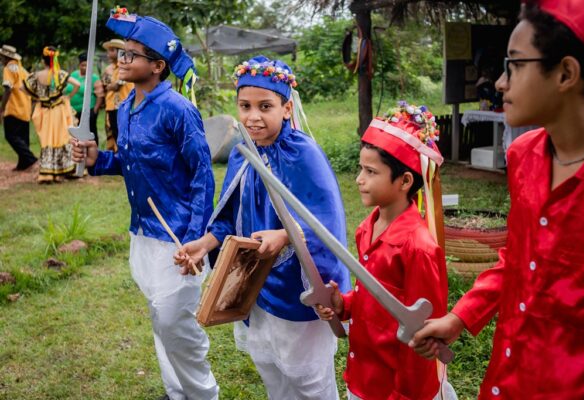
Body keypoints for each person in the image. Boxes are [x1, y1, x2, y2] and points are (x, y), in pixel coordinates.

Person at [410, 1, 584, 398]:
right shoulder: (524, 155)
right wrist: (461, 317)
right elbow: (517, 257)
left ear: (566, 73)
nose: (499, 82)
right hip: (506, 378)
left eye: (513, 65)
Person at [175, 55, 352, 399]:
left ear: (286, 108)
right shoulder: (243, 151)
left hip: (295, 288)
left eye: (265, 106)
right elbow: (230, 214)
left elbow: (327, 223)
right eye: (244, 106)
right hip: (256, 285)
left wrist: (286, 234)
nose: (252, 116)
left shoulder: (304, 155)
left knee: (308, 377)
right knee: (271, 367)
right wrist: (205, 243)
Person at [71, 7, 218, 400]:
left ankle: (203, 394)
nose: (122, 59)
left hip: (177, 237)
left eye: (131, 55)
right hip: (143, 234)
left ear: (156, 66)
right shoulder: (127, 109)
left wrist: (195, 238)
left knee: (176, 324)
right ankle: (177, 393)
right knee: (160, 319)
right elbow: (127, 161)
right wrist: (95, 159)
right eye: (122, 53)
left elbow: (203, 175)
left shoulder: (179, 111)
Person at [315, 102, 450, 400]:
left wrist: (405, 394)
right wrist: (344, 304)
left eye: (370, 171)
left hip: (396, 389)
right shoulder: (367, 228)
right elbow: (373, 298)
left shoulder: (418, 248)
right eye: (361, 168)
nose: (359, 180)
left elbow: (424, 332)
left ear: (404, 181)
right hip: (363, 377)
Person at [23, 46, 80, 183]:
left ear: (43, 61)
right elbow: (77, 84)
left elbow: (22, 87)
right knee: (62, 138)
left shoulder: (37, 75)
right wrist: (68, 97)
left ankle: (48, 173)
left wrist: (36, 96)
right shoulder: (59, 74)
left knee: (48, 140)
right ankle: (66, 170)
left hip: (45, 112)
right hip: (59, 111)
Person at [0, 44, 37, 171]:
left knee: (10, 136)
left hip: (13, 108)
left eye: (1, 57)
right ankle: (24, 164)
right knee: (22, 137)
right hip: (25, 108)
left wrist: (2, 108)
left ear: (5, 57)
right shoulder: (23, 70)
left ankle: (30, 159)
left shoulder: (9, 68)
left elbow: (8, 88)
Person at [101, 38, 133, 151]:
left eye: (111, 50)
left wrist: (110, 86)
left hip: (123, 104)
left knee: (124, 133)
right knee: (114, 132)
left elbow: (115, 86)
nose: (108, 53)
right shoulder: (108, 69)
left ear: (119, 51)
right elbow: (105, 85)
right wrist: (110, 86)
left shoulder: (125, 66)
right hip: (111, 105)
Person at [66, 52, 104, 145]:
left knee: (90, 132)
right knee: (75, 134)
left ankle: (94, 152)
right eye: (83, 65)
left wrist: (94, 110)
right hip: (73, 111)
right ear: (79, 65)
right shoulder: (74, 75)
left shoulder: (94, 77)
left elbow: (100, 95)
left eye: (87, 65)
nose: (85, 68)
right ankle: (79, 152)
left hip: (88, 112)